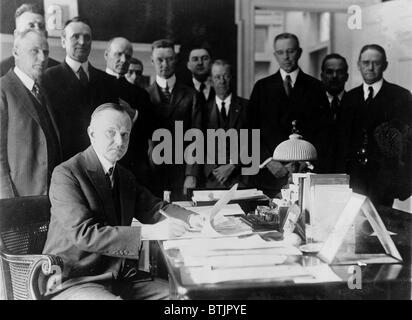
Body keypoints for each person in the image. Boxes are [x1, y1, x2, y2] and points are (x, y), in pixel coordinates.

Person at [43, 103, 204, 300]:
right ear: (91, 133)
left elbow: (155, 207)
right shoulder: (67, 174)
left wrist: (193, 219)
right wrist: (149, 232)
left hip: (119, 278)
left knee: (181, 297)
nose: (119, 142)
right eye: (111, 132)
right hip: (73, 280)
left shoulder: (123, 176)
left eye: (125, 134)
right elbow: (84, 234)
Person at [249, 33, 326, 197]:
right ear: (275, 55)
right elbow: (251, 131)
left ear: (299, 52)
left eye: (290, 51)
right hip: (270, 175)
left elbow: (324, 131)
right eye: (280, 52)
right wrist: (269, 161)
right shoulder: (262, 87)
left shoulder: (316, 87)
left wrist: (304, 163)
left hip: (305, 173)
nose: (286, 57)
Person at [338, 44, 412, 206]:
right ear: (358, 65)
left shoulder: (400, 96)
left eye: (376, 63)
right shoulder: (350, 97)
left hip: (385, 180)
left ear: (385, 65)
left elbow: (407, 143)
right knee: (355, 225)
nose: (370, 68)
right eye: (365, 62)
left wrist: (405, 182)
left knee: (381, 226)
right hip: (354, 178)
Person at [42, 17, 119, 161]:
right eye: (76, 37)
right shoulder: (47, 79)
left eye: (87, 37)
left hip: (100, 162)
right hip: (63, 163)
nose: (82, 42)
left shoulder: (108, 81)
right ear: (63, 41)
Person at [0, 29, 61, 199]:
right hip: (18, 200)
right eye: (35, 51)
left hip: (50, 197)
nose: (42, 58)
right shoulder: (3, 89)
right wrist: (8, 203)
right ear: (15, 52)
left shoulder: (45, 92)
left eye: (45, 52)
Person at [147, 39, 202, 201]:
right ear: (152, 61)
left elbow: (196, 137)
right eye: (160, 60)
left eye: (169, 59)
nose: (165, 64)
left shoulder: (192, 95)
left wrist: (191, 174)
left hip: (181, 172)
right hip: (152, 172)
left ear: (176, 60)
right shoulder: (143, 95)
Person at [104, 37, 155, 188]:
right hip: (101, 164)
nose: (123, 59)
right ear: (107, 55)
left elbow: (151, 130)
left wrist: (135, 115)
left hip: (132, 167)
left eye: (128, 56)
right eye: (118, 54)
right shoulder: (94, 85)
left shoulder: (140, 94)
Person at [203, 60, 250, 188]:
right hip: (212, 178)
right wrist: (215, 171)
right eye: (217, 77)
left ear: (231, 78)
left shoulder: (247, 106)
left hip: (241, 178)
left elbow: (253, 140)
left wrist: (233, 165)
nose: (222, 81)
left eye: (226, 76)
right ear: (211, 81)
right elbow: (198, 144)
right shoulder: (203, 109)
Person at [0, 3, 59, 77]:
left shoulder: (59, 71)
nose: (37, 30)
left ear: (46, 35)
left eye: (41, 26)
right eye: (31, 26)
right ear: (17, 35)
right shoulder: (2, 70)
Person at [317, 53, 349, 173]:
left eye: (340, 72)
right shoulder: (311, 105)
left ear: (346, 76)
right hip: (317, 173)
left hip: (348, 174)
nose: (334, 76)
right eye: (329, 72)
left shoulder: (355, 103)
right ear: (322, 76)